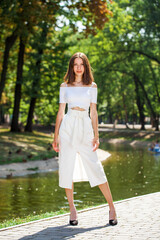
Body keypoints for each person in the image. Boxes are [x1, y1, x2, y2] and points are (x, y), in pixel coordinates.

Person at [52, 52, 117, 226]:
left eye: (81, 64)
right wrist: (55, 136)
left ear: (86, 66)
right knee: (66, 168)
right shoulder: (64, 86)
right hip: (68, 127)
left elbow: (94, 112)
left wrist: (97, 135)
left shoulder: (92, 86)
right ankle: (72, 210)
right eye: (75, 64)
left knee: (96, 167)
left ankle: (111, 207)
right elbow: (60, 112)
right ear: (72, 67)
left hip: (85, 127)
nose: (78, 67)